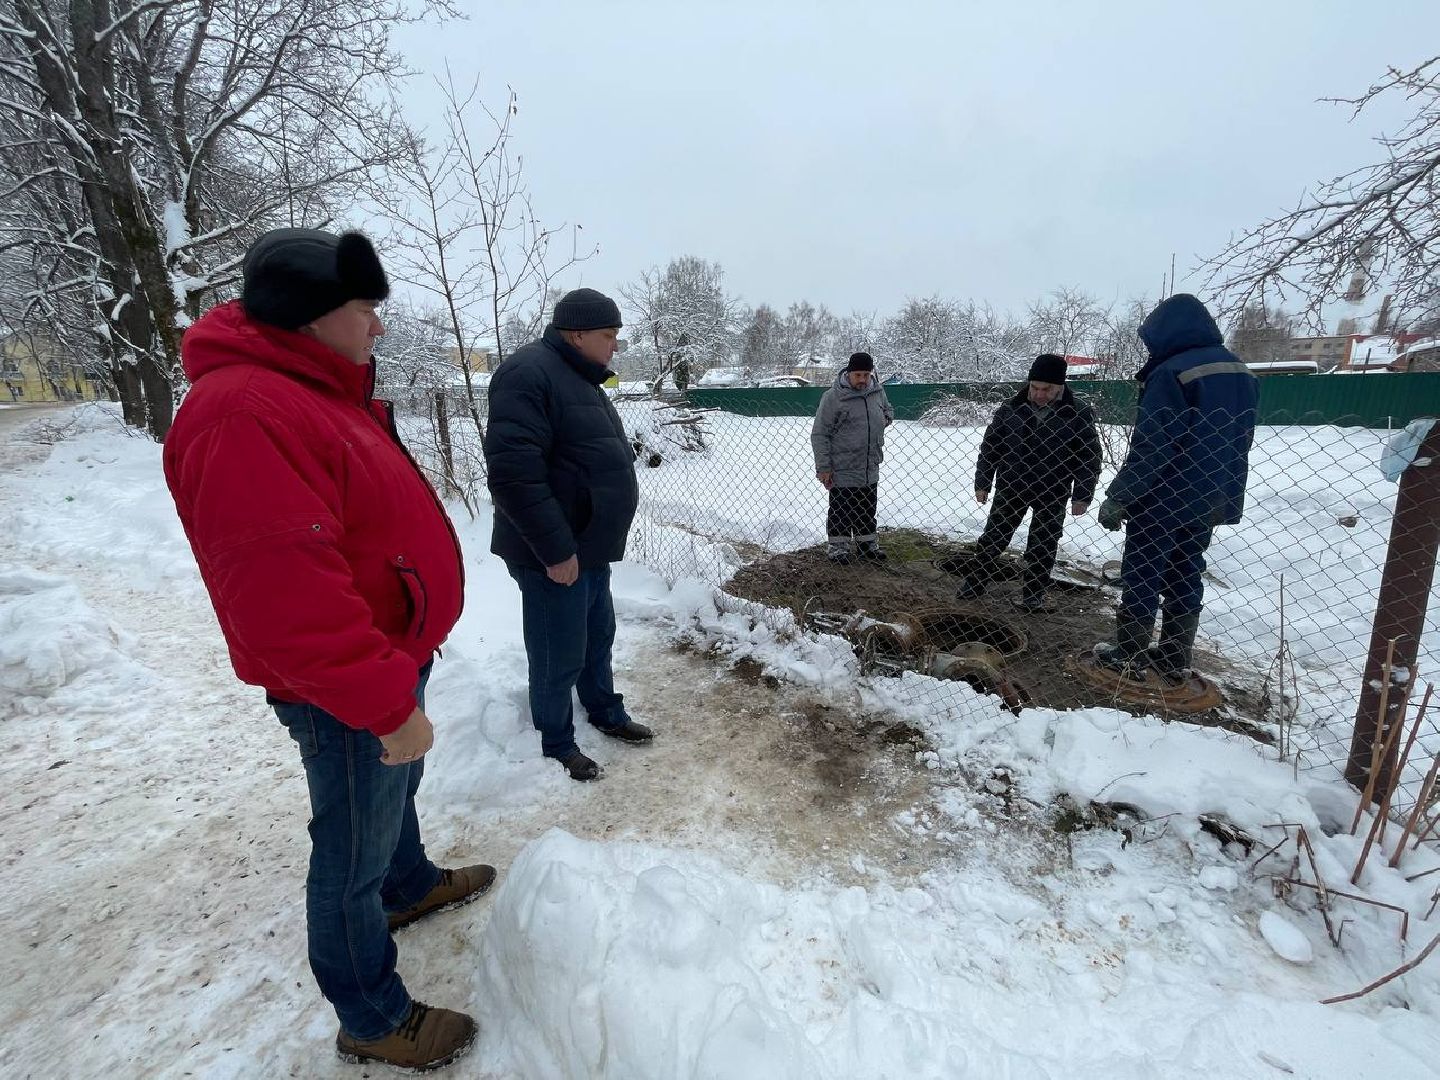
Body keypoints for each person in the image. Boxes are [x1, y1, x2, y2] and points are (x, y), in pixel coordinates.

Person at [163, 228, 493, 1073]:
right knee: (350, 850)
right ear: (311, 315)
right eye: (365, 308)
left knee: (392, 798)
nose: (378, 326)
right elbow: (285, 597)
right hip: (344, 686)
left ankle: (407, 885)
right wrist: (383, 702)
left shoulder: (309, 390)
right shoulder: (244, 411)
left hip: (385, 657)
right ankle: (372, 1017)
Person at [484, 288, 652, 783]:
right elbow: (514, 476)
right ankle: (556, 739)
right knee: (558, 650)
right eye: (609, 335)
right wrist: (555, 550)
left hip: (589, 544)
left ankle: (605, 711)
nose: (615, 345)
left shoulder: (581, 376)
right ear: (577, 334)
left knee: (597, 637)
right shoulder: (527, 374)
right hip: (552, 551)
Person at [1094, 293, 1259, 679]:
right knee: (1186, 571)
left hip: (1164, 496)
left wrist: (1120, 496)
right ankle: (1174, 656)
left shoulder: (1173, 372)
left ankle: (1129, 653)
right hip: (1213, 494)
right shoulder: (1241, 372)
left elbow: (1154, 444)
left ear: (1169, 332)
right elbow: (1241, 438)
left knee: (1143, 572)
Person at [961, 354, 1101, 610]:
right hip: (1012, 485)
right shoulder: (1011, 407)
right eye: (1034, 387)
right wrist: (982, 482)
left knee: (1043, 544)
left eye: (1046, 389)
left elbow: (1088, 457)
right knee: (993, 537)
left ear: (1059, 387)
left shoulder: (1077, 412)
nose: (1038, 394)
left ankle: (1033, 594)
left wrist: (1082, 495)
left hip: (1053, 490)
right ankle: (975, 581)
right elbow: (991, 447)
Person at [811, 351, 895, 563]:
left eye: (866, 375)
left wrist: (884, 419)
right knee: (842, 510)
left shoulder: (877, 391)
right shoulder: (833, 397)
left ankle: (867, 546)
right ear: (848, 373)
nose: (862, 380)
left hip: (869, 464)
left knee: (867, 509)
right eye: (858, 375)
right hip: (843, 467)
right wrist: (823, 467)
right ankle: (838, 549)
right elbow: (820, 434)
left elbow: (888, 411)